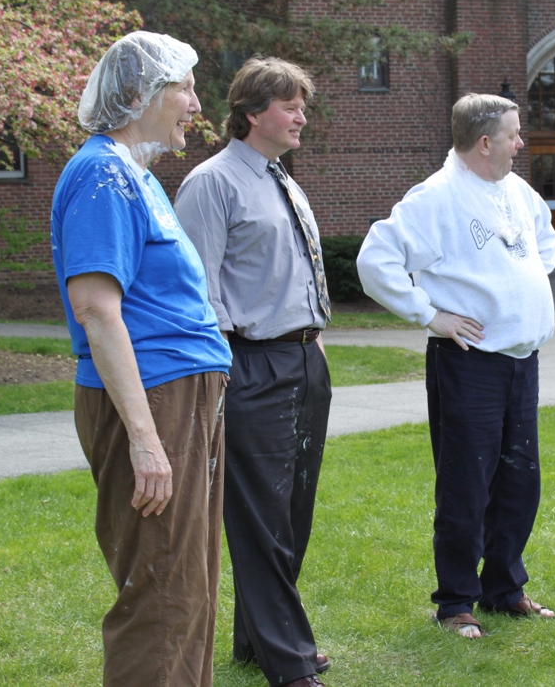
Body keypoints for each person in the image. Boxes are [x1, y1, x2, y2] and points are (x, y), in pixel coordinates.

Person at [50, 32, 232, 686]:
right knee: (160, 596)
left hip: (181, 396)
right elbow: (98, 310)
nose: (195, 102)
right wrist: (147, 440)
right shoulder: (102, 173)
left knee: (188, 586)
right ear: (140, 95)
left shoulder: (137, 176)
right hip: (153, 400)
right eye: (184, 86)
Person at [356, 93, 555, 638]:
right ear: (485, 142)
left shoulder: (516, 191)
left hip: (521, 359)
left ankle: (503, 588)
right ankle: (455, 603)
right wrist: (431, 314)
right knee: (467, 484)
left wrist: (521, 284)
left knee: (520, 481)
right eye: (515, 134)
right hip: (468, 362)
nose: (522, 143)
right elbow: (375, 260)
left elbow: (546, 241)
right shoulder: (435, 197)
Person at [175, 57, 331, 687]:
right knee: (261, 517)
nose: (301, 116)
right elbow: (198, 294)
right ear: (250, 113)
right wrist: (222, 378)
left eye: (302, 105)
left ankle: (255, 640)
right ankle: (289, 661)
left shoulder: (282, 180)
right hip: (251, 367)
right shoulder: (212, 184)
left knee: (293, 512)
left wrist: (313, 344)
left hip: (303, 360)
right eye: (290, 105)